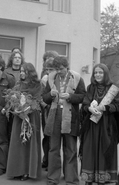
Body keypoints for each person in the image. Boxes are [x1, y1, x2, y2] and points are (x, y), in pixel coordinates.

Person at [42, 56, 86, 185]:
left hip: (71, 116)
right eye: (56, 69)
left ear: (67, 66)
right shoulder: (50, 77)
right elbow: (44, 98)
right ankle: (53, 178)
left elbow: (83, 96)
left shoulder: (77, 78)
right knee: (53, 148)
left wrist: (71, 97)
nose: (58, 71)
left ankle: (71, 179)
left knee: (71, 148)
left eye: (61, 69)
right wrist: (50, 95)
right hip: (55, 115)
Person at [80, 63, 119, 185]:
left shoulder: (113, 88)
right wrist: (89, 109)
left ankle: (103, 178)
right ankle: (89, 178)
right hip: (91, 125)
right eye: (96, 72)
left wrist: (106, 107)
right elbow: (85, 104)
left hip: (107, 125)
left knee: (104, 150)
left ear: (106, 74)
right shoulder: (90, 88)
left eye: (100, 72)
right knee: (90, 150)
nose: (97, 75)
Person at [6, 62, 42, 181]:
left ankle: (28, 171)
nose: (21, 73)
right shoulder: (18, 84)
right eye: (20, 71)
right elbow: (12, 97)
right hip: (19, 116)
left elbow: (37, 100)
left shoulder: (37, 85)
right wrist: (15, 104)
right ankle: (17, 170)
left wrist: (26, 106)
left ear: (30, 73)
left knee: (29, 143)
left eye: (24, 71)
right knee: (18, 142)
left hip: (32, 116)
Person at [40, 57, 57, 170]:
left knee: (53, 138)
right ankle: (46, 159)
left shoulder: (59, 78)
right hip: (46, 110)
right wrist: (45, 105)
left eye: (51, 69)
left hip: (57, 110)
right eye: (47, 69)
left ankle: (52, 162)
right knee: (47, 136)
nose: (48, 72)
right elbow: (40, 96)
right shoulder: (44, 79)